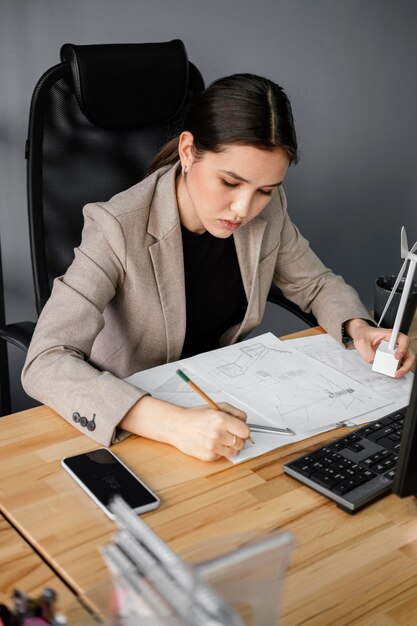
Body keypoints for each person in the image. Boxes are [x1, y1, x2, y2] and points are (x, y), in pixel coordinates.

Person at [22, 73, 415, 461]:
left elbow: (315, 284)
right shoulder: (116, 227)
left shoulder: (268, 211)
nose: (244, 210)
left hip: (228, 405)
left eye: (264, 190)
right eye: (230, 182)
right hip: (135, 423)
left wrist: (359, 328)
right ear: (189, 151)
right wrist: (173, 424)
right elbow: (45, 362)